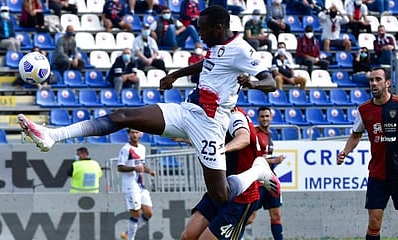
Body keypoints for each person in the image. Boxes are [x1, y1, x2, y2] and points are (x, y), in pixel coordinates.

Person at [18, 6, 280, 207]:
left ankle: (258, 169)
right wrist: (176, 74)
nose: (199, 33)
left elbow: (271, 82)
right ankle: (53, 135)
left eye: (203, 28)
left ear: (220, 27)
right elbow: (210, 63)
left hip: (211, 125)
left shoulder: (242, 50)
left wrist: (253, 84)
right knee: (123, 116)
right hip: (188, 112)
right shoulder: (217, 45)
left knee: (220, 195)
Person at [336, 67, 398, 240]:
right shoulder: (364, 110)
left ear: (387, 83)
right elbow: (355, 135)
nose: (373, 83)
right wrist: (345, 152)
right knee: (374, 222)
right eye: (371, 80)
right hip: (378, 174)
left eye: (378, 79)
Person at [181, 107, 264, 240]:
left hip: (240, 196)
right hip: (219, 190)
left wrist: (222, 149)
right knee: (187, 236)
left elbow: (244, 138)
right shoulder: (218, 117)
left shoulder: (235, 116)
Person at [247, 106, 284, 240]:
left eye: (267, 116)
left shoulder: (270, 134)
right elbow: (255, 158)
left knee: (276, 214)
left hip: (269, 180)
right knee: (249, 217)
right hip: (257, 181)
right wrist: (274, 160)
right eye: (262, 116)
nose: (265, 119)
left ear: (271, 117)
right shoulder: (255, 134)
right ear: (258, 118)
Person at [117, 129, 156, 240]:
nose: (134, 135)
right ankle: (130, 237)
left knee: (148, 213)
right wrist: (134, 168)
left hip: (141, 185)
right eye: (132, 132)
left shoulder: (142, 148)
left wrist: (149, 171)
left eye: (136, 132)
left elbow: (141, 164)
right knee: (135, 213)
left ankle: (127, 234)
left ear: (141, 134)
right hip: (131, 186)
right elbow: (120, 167)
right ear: (128, 134)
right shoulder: (125, 149)